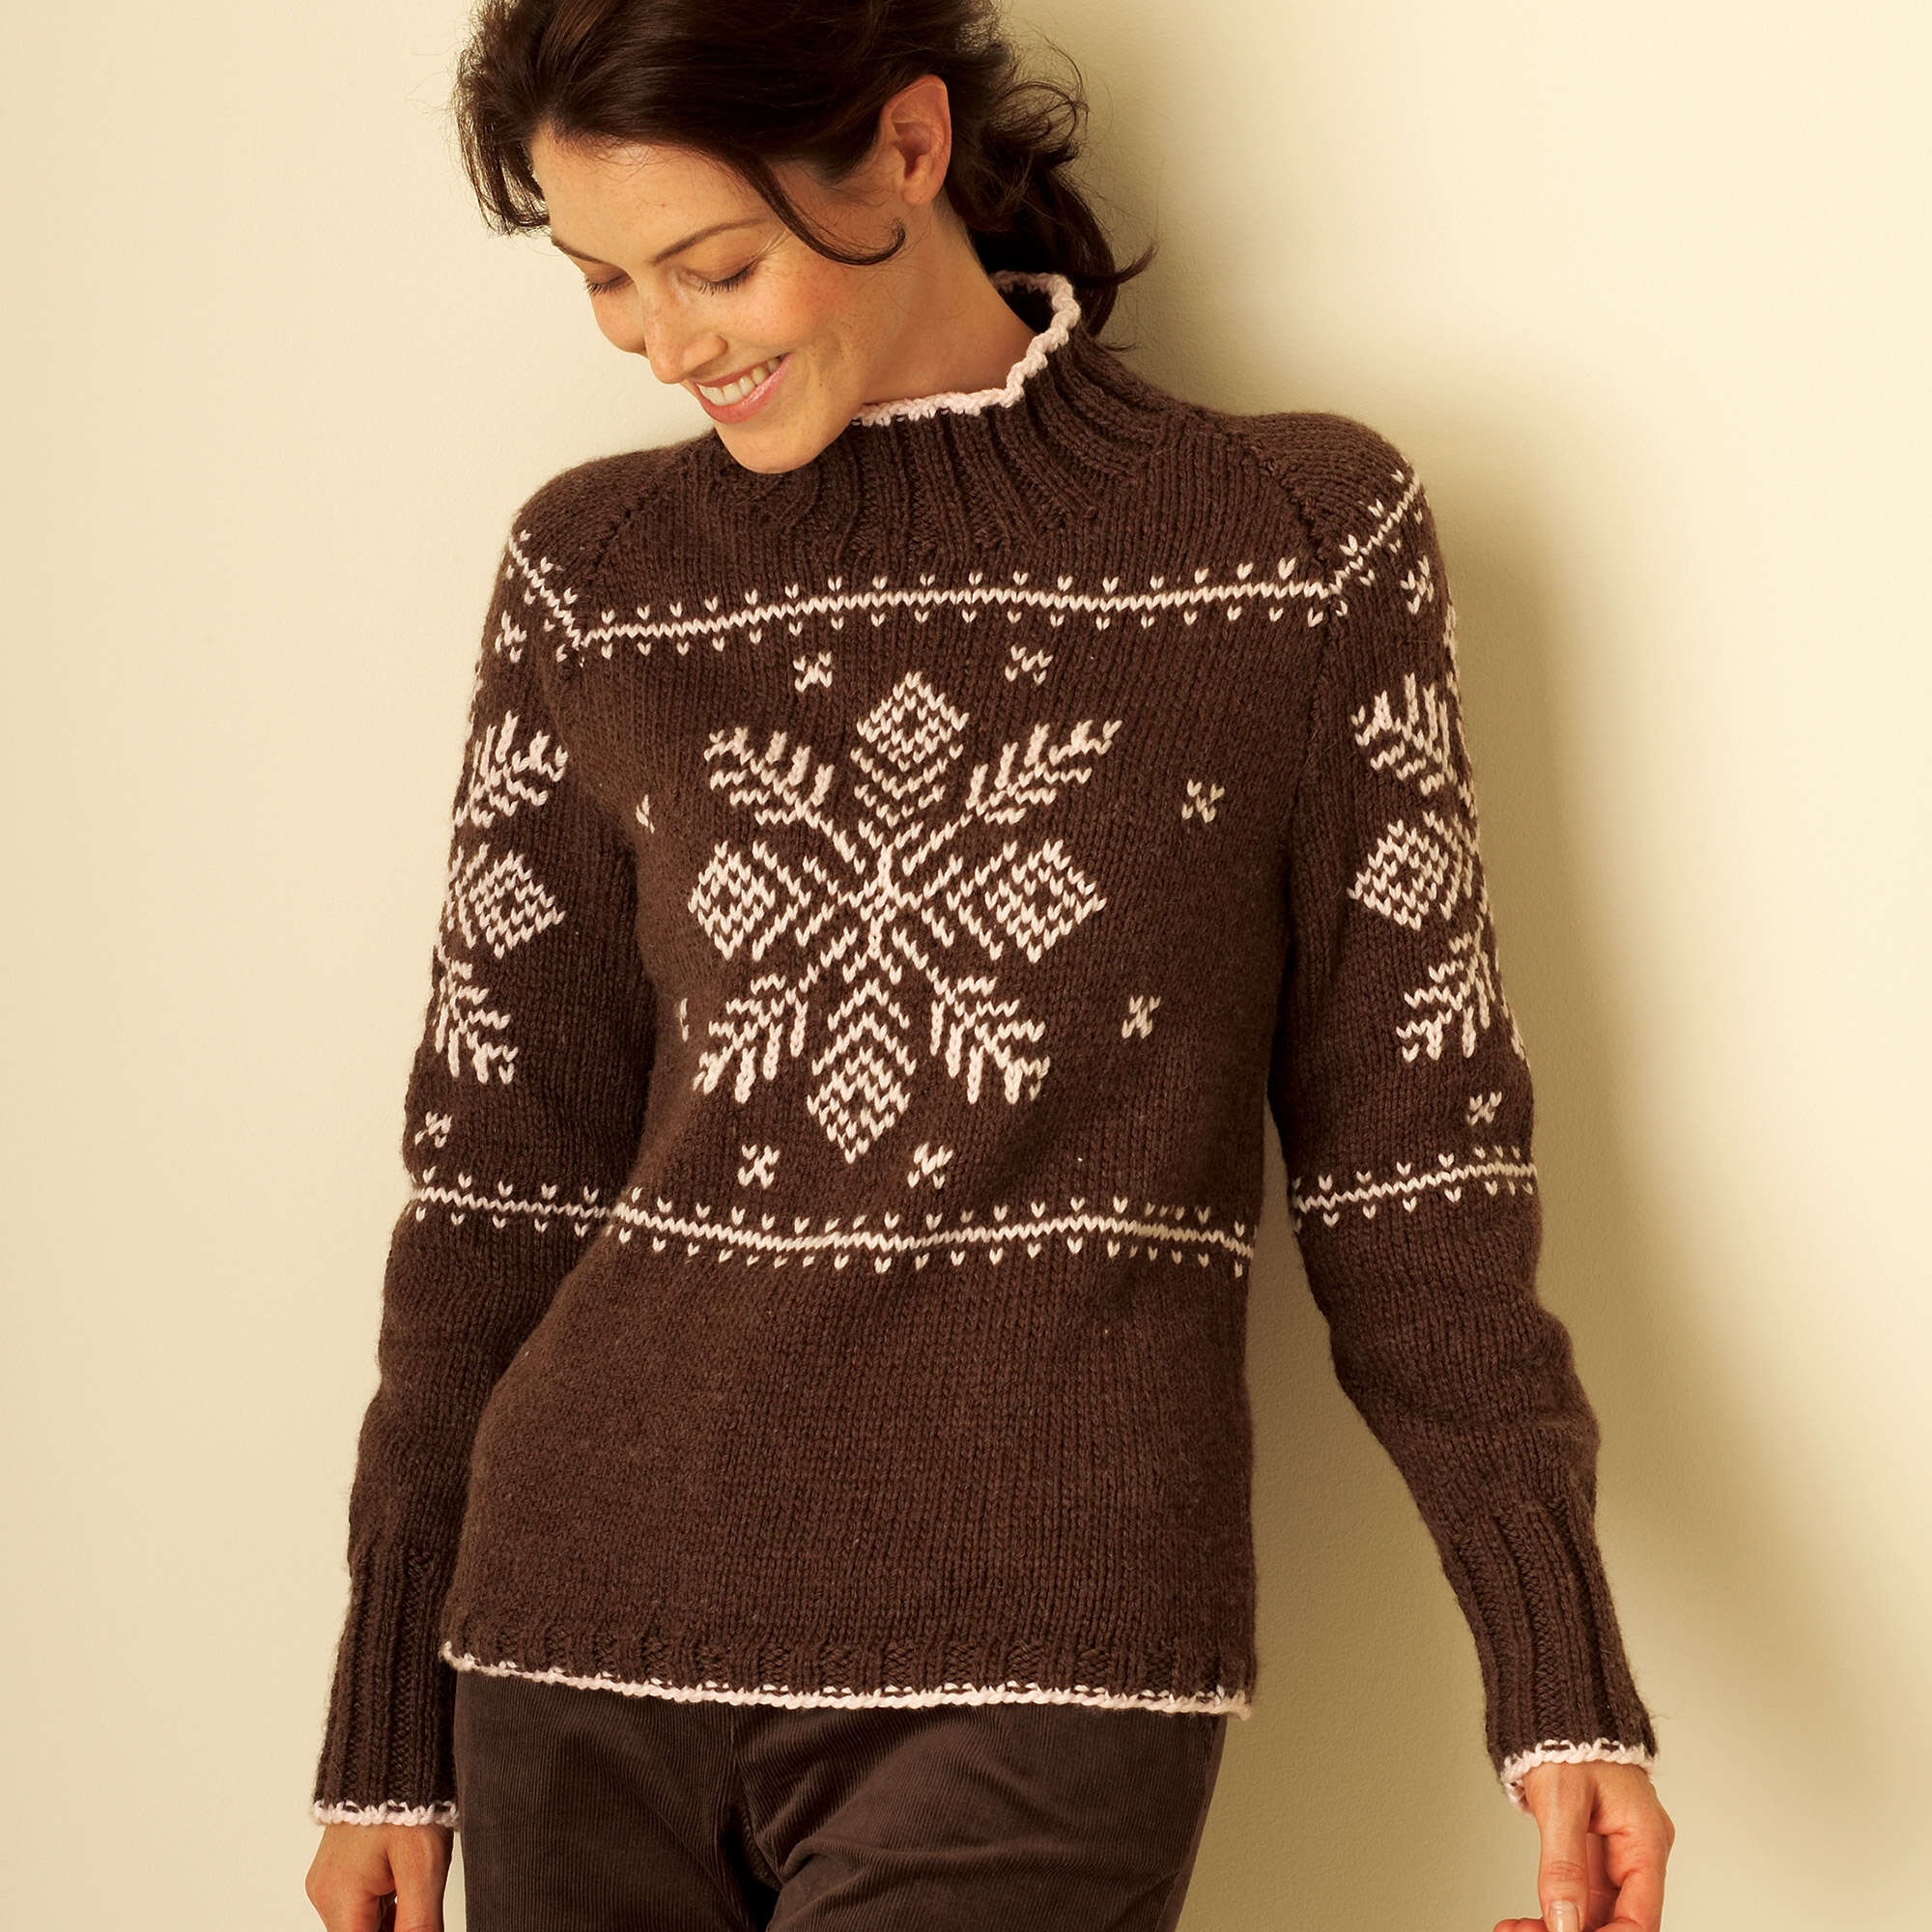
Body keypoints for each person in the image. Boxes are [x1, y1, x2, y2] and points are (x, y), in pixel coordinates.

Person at [303, 3, 1677, 1929]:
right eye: (603, 281)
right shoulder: (592, 577)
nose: (666, 345)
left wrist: (1557, 1680)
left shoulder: (1295, 544)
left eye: (715, 266)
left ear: (908, 148)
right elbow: (494, 1191)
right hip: (574, 1638)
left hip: (1049, 1641)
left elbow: (1412, 1169)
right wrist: (384, 1723)